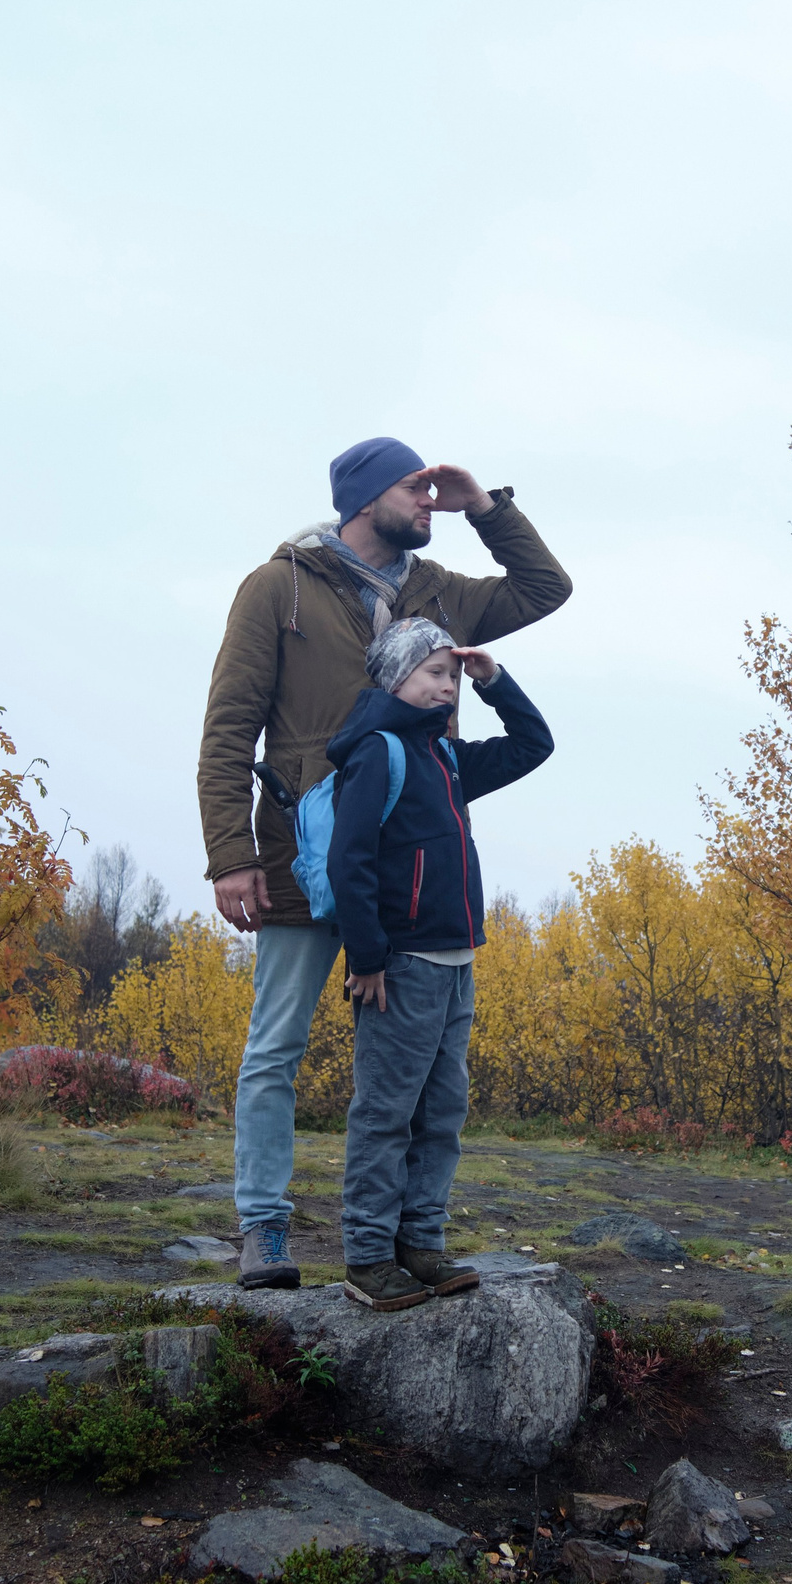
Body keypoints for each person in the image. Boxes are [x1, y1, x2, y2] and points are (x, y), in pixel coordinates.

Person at [198, 437, 571, 1290]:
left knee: (413, 1081)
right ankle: (263, 1226)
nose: (430, 501)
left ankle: (396, 1241)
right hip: (300, 855)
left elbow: (546, 589)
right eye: (419, 488)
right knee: (276, 1048)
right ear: (367, 497)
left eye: (437, 494)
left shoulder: (438, 593)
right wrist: (232, 855)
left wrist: (487, 505)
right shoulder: (279, 586)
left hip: (404, 871)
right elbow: (228, 730)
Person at [324, 618, 552, 1308]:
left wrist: (494, 681)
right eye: (433, 672)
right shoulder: (379, 753)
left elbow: (534, 745)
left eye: (451, 676)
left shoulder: (446, 759)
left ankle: (419, 1243)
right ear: (396, 677)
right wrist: (366, 956)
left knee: (442, 1112)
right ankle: (367, 1257)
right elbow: (349, 860)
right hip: (400, 966)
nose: (445, 686)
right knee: (387, 1112)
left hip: (456, 964)